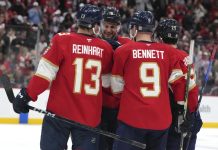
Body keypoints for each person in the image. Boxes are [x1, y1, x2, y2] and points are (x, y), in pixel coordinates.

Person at [12, 4, 114, 150]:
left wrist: (27, 96)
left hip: (58, 115)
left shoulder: (62, 40)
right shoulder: (106, 49)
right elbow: (107, 83)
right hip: (89, 118)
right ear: (96, 24)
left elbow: (43, 76)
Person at [111, 10, 198, 150]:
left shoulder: (123, 51)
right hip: (161, 121)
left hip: (132, 117)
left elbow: (116, 88)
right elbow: (179, 83)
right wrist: (183, 112)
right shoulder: (168, 52)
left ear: (134, 28)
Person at [153, 18, 202, 150]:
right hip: (193, 113)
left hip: (179, 116)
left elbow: (178, 85)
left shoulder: (164, 54)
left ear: (159, 37)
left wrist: (181, 113)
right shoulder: (184, 55)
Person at [99, 7, 132, 150]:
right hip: (97, 105)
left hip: (120, 106)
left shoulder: (127, 44)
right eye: (106, 26)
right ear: (100, 25)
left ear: (118, 27)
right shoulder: (92, 43)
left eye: (112, 26)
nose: (108, 30)